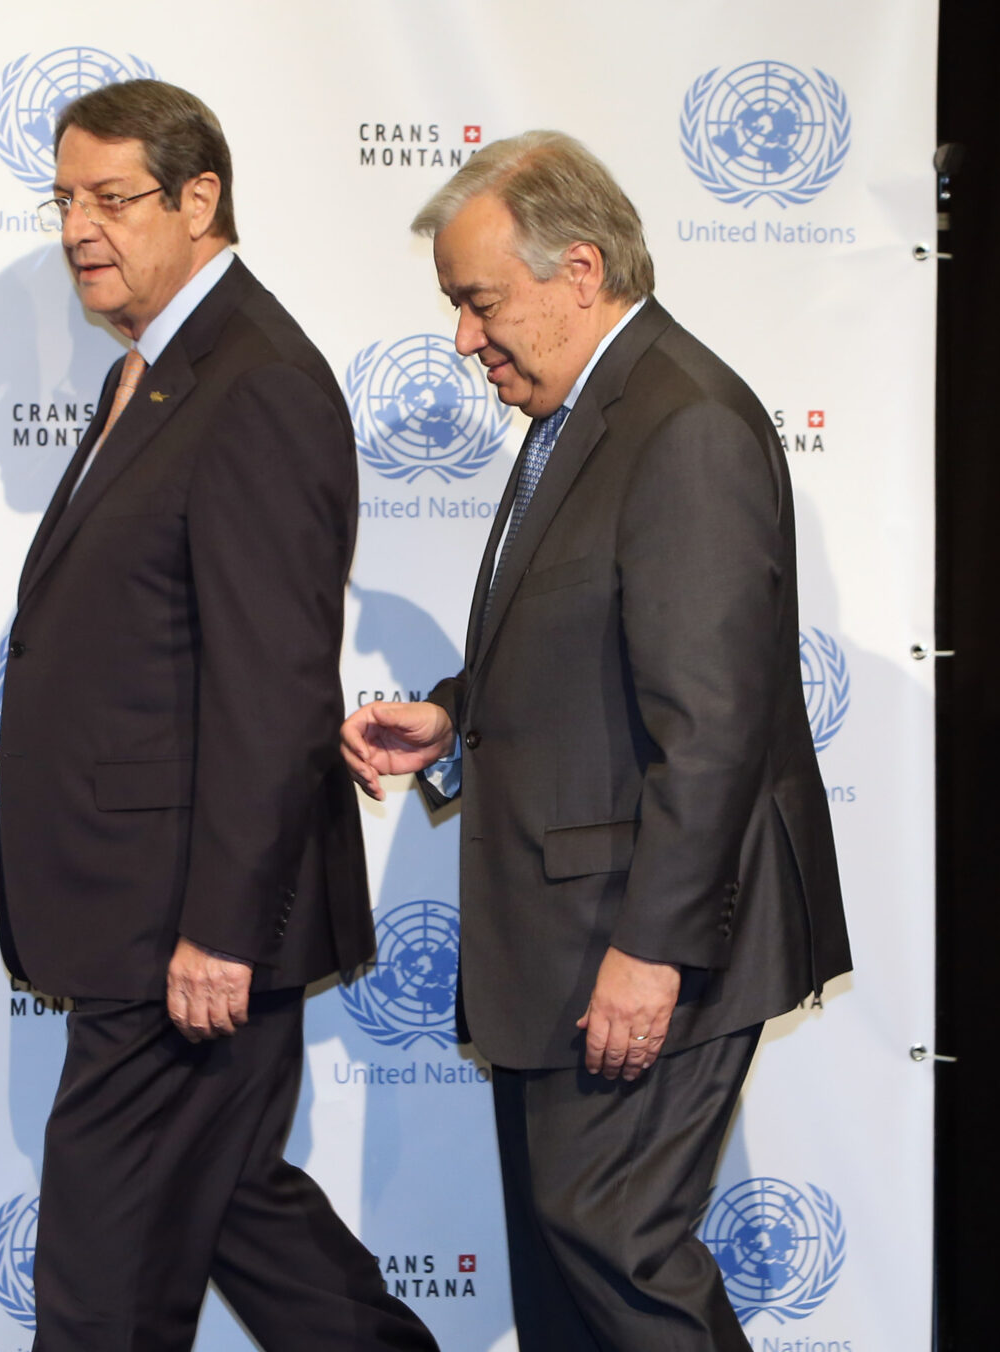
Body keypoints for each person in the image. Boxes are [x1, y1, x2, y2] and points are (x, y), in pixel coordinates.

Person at [339, 131, 850, 1352]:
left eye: (480, 302)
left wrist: (651, 948)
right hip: (564, 940)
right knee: (566, 1283)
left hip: (640, 937)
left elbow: (711, 721)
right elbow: (592, 640)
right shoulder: (583, 416)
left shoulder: (683, 423)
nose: (463, 339)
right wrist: (453, 713)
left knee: (615, 1248)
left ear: (579, 270)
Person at [0, 79, 436, 1352]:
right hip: (149, 913)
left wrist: (218, 931)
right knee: (242, 1213)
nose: (78, 228)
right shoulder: (159, 371)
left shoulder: (253, 382)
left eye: (110, 198)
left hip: (178, 929)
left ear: (200, 199)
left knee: (101, 1287)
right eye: (63, 201)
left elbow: (271, 682)